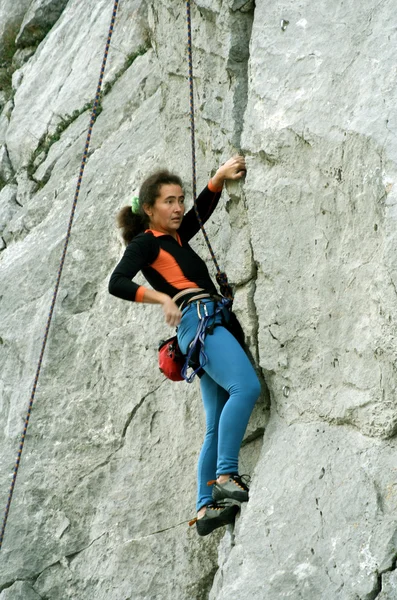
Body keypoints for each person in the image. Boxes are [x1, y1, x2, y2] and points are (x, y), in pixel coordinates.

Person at [108, 156, 261, 536]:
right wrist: (161, 299)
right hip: (199, 321)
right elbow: (118, 282)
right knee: (246, 388)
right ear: (148, 210)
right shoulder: (145, 243)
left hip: (203, 323)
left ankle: (204, 507)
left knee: (215, 422)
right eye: (168, 202)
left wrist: (218, 178)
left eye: (179, 200)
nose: (177, 208)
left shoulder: (174, 237)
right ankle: (226, 474)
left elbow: (198, 215)